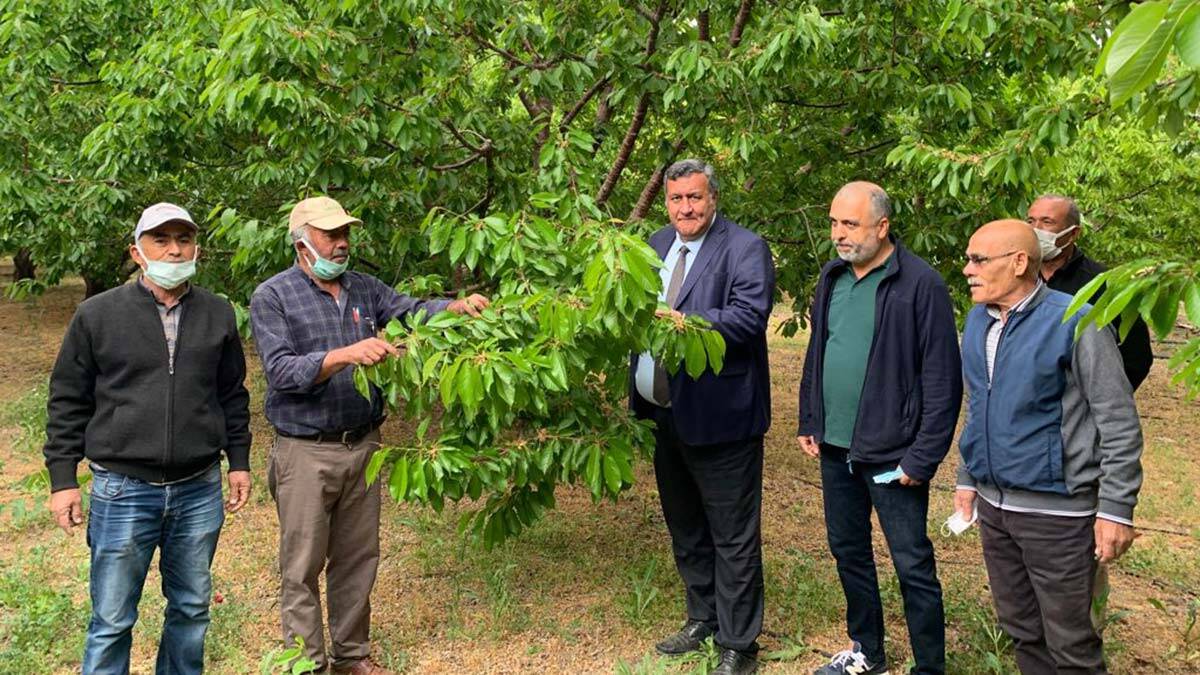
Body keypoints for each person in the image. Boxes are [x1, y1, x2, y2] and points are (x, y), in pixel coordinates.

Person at [250, 195, 489, 675]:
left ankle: (351, 655)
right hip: (305, 452)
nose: (341, 244)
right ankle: (307, 662)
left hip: (362, 446)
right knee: (301, 565)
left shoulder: (363, 288)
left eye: (344, 235)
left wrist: (456, 307)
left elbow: (411, 310)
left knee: (358, 558)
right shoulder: (272, 296)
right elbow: (281, 372)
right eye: (330, 235)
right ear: (301, 242)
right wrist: (345, 354)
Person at [43, 202, 252, 674]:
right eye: (162, 240)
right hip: (122, 488)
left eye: (184, 239)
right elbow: (67, 400)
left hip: (199, 486)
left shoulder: (218, 313)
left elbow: (231, 395)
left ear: (197, 247)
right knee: (113, 618)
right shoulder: (97, 315)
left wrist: (238, 461)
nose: (175, 250)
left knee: (192, 608)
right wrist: (63, 480)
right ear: (137, 252)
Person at [955, 219, 1143, 674]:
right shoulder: (979, 319)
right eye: (968, 259)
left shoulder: (1076, 319)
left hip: (1059, 515)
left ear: (1020, 263)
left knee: (1072, 643)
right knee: (1021, 629)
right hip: (997, 509)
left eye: (979, 259)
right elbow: (978, 404)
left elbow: (1117, 418)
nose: (967, 270)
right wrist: (967, 477)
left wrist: (1116, 509)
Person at [797, 182, 962, 675]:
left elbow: (942, 379)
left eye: (850, 224)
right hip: (836, 446)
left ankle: (930, 667)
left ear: (883, 227)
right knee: (848, 551)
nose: (839, 234)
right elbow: (819, 351)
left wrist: (923, 456)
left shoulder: (920, 284)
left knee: (912, 563)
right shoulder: (832, 277)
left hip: (894, 453)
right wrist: (811, 417)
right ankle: (866, 651)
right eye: (833, 223)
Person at [629, 159, 775, 675]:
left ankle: (739, 643)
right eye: (676, 199)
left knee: (732, 533)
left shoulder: (745, 248)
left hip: (722, 418)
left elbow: (748, 318)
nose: (685, 208)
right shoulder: (653, 244)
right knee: (685, 524)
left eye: (694, 198)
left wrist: (684, 322)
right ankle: (702, 616)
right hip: (661, 414)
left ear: (713, 198)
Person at [1027, 194, 1153, 390]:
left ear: (1074, 233)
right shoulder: (1016, 277)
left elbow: (1137, 357)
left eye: (1047, 222)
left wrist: (1098, 403)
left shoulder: (1106, 284)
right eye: (1030, 221)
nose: (1035, 230)